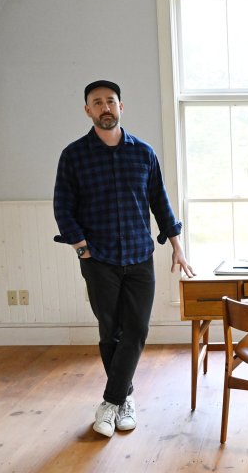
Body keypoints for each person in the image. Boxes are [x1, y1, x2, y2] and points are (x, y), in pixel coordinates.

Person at [53, 80, 194, 437]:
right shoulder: (73, 155)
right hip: (98, 258)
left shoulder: (143, 153)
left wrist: (177, 245)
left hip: (139, 256)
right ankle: (125, 399)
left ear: (121, 106)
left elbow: (160, 202)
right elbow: (63, 207)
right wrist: (81, 247)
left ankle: (110, 403)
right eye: (97, 103)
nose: (105, 108)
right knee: (110, 331)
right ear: (87, 110)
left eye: (110, 101)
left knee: (137, 329)